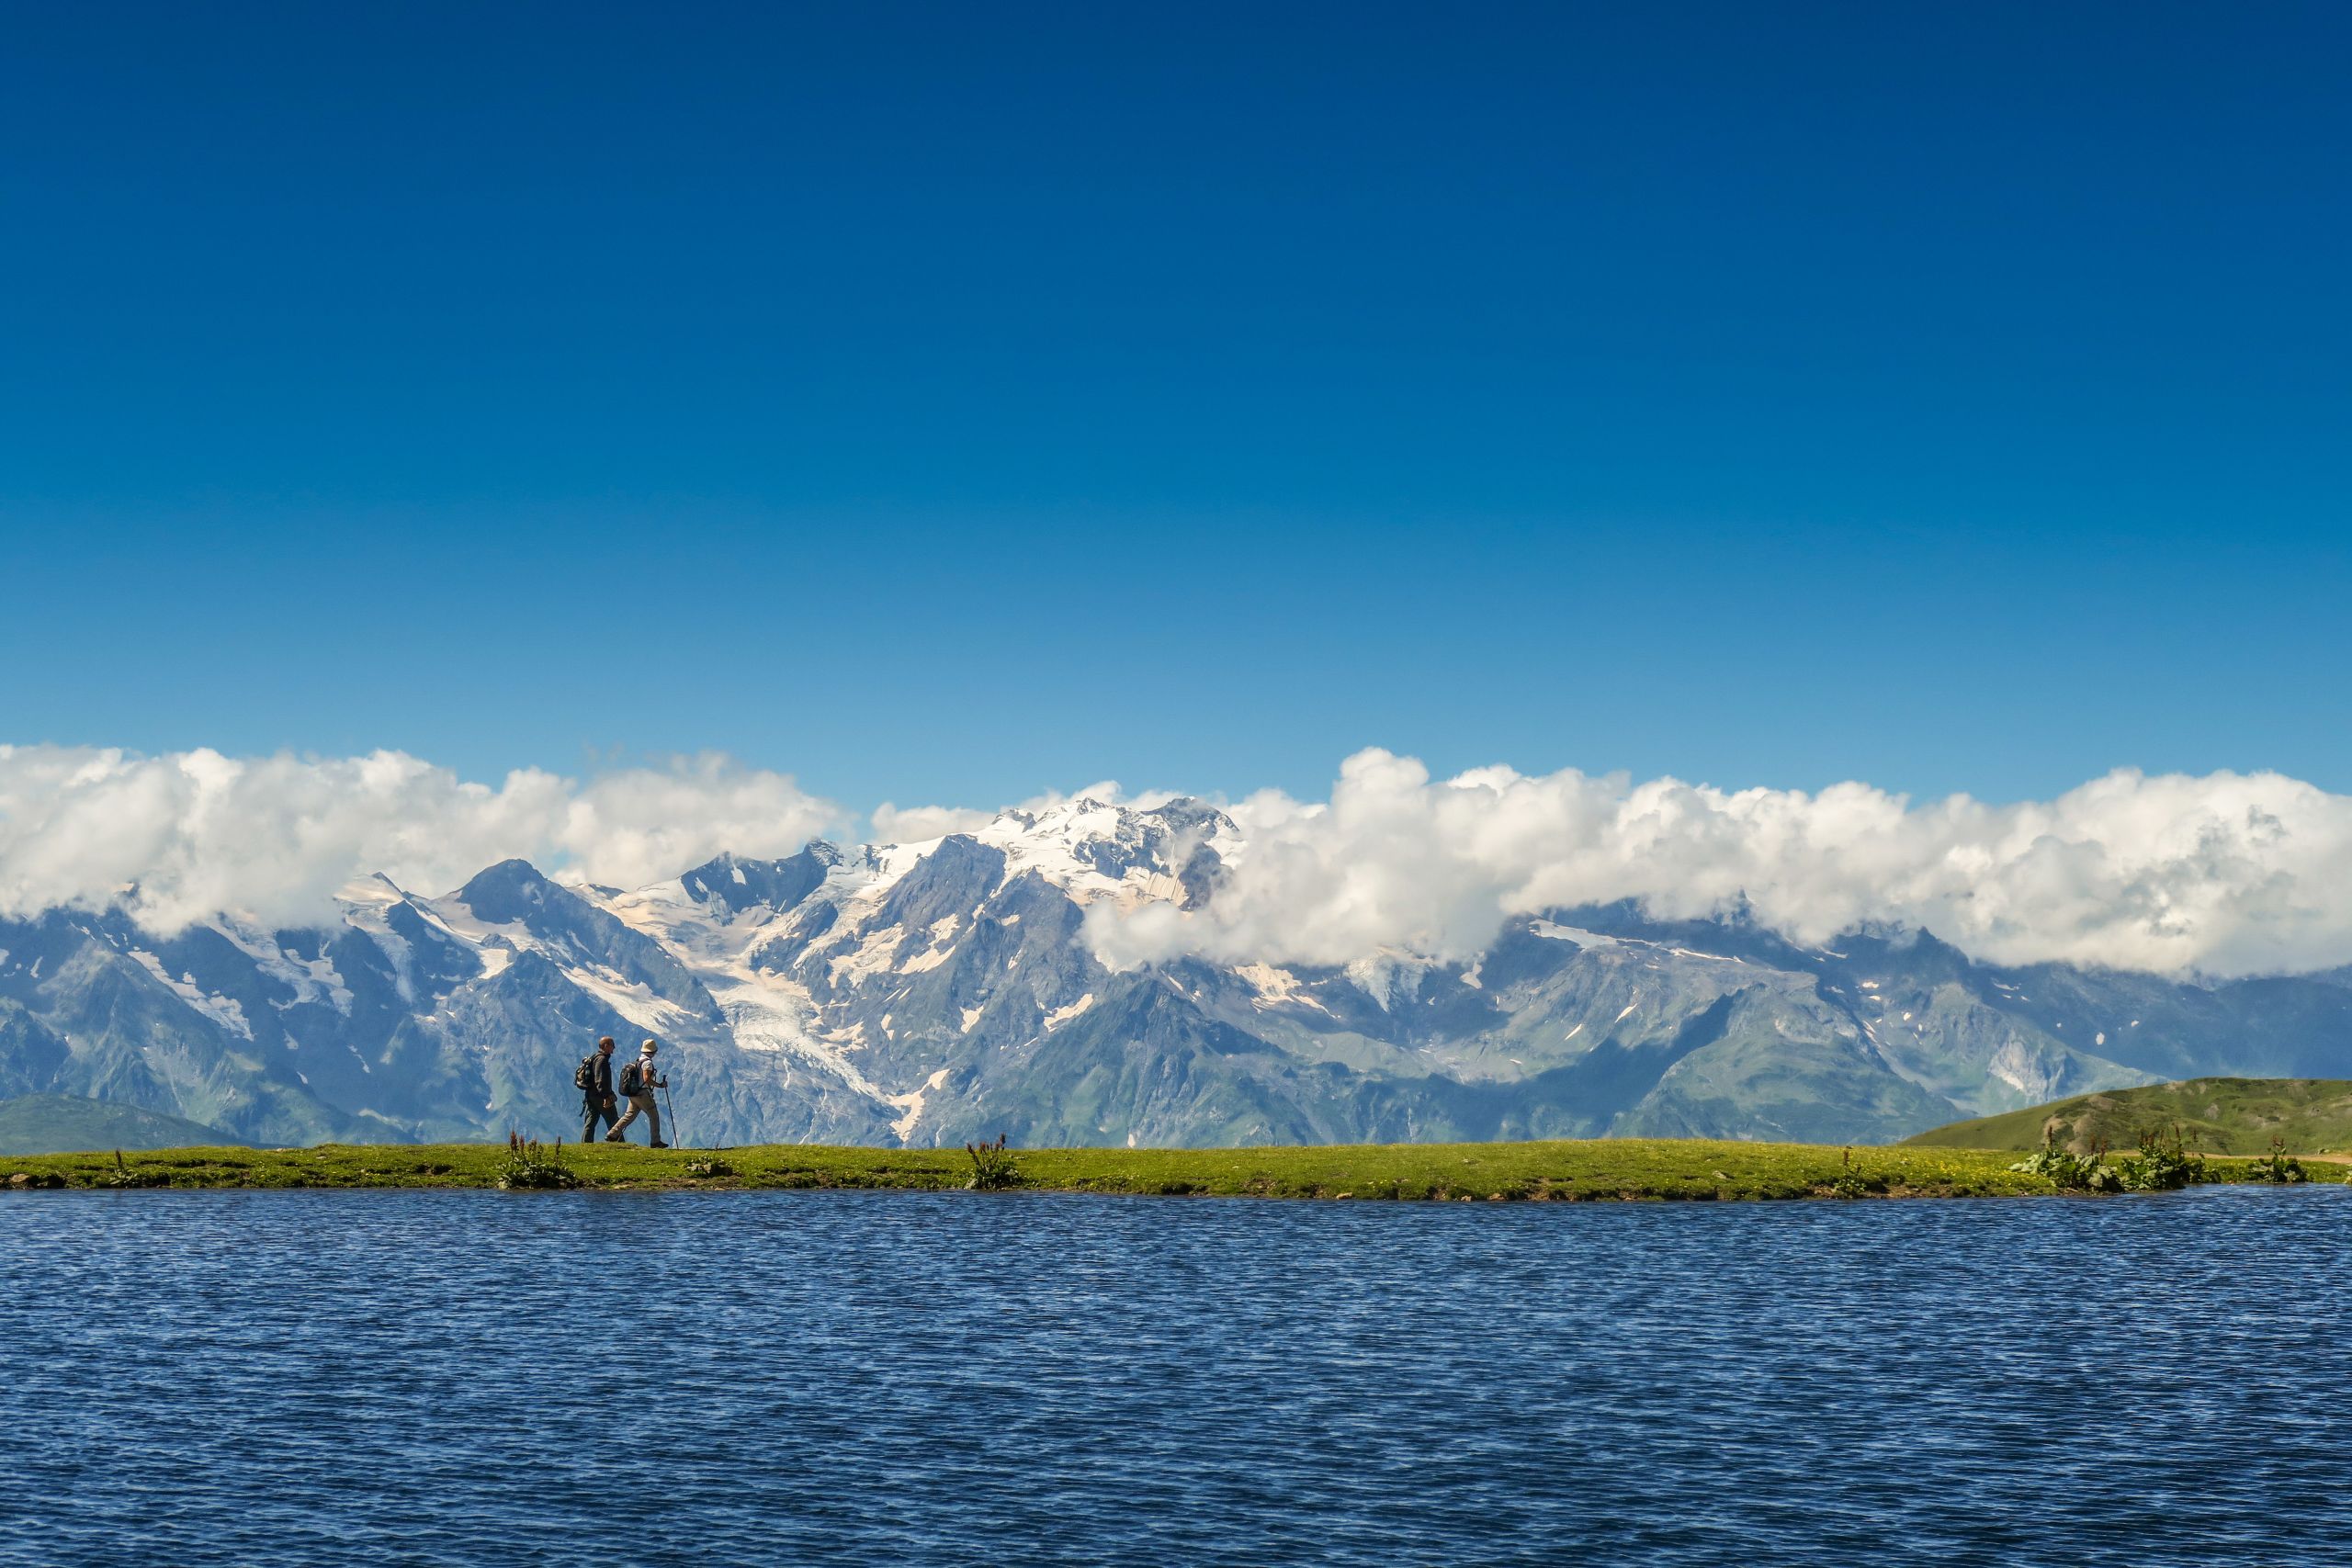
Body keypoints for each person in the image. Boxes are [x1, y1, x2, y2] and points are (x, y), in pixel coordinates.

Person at [606, 1038, 668, 1147]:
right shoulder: (648, 1063)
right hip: (643, 1094)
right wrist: (660, 1085)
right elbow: (646, 1079)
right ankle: (655, 1141)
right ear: (653, 1051)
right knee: (654, 1116)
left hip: (633, 1094)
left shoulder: (638, 1061)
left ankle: (612, 1134)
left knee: (629, 1115)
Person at [576, 1036, 620, 1144]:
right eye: (612, 1045)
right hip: (600, 1096)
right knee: (613, 1120)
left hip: (591, 1094)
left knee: (591, 1120)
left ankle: (586, 1143)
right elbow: (600, 1081)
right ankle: (619, 1143)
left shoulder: (595, 1057)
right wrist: (607, 1096)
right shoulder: (602, 1060)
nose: (614, 1048)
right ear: (606, 1046)